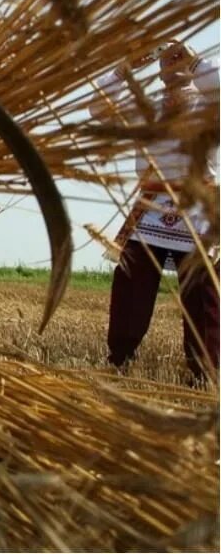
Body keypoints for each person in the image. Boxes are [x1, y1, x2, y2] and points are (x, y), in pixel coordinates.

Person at [89, 41, 219, 383]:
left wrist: (195, 61)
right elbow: (98, 110)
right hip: (150, 209)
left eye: (178, 60)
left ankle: (205, 375)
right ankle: (119, 362)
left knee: (203, 295)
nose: (171, 66)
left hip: (200, 211)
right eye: (166, 61)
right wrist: (123, 67)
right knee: (131, 285)